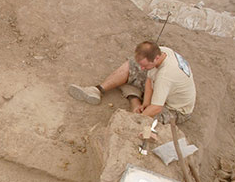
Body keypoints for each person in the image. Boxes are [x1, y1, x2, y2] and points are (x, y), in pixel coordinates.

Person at [68, 41, 196, 124]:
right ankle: (97, 90)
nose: (142, 69)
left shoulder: (166, 76)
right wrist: (145, 103)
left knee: (144, 121)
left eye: (145, 66)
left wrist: (137, 118)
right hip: (163, 90)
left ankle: (134, 101)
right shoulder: (162, 52)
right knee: (132, 65)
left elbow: (156, 107)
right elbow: (149, 79)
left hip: (175, 109)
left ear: (156, 58)